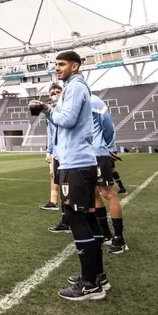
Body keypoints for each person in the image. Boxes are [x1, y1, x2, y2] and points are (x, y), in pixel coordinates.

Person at [50, 50, 108, 301]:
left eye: (61, 64)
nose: (57, 68)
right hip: (78, 160)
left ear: (75, 67)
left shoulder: (74, 88)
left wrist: (46, 109)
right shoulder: (78, 88)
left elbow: (68, 119)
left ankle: (89, 284)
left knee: (76, 217)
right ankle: (97, 276)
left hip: (76, 161)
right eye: (56, 65)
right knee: (88, 217)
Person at [90, 95, 127, 254]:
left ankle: (119, 238)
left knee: (107, 193)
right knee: (93, 193)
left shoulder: (94, 101)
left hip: (98, 153)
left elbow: (108, 125)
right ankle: (106, 234)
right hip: (82, 155)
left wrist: (109, 147)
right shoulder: (72, 102)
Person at [32, 84, 62, 212]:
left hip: (70, 151)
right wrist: (49, 152)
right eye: (52, 93)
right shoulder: (50, 115)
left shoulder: (68, 110)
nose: (55, 94)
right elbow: (50, 135)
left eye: (58, 92)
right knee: (53, 175)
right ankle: (53, 201)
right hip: (56, 151)